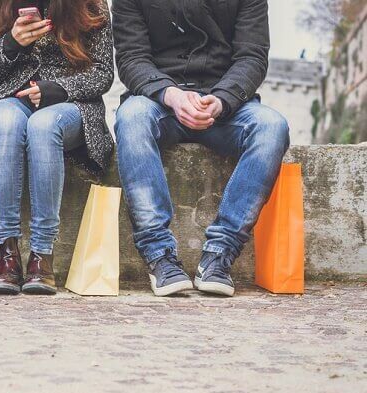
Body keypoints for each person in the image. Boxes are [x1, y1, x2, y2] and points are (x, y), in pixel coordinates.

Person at [113, 0, 290, 297]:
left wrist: (221, 100)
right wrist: (171, 95)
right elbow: (131, 58)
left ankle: (220, 252)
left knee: (272, 126)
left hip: (225, 104)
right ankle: (158, 254)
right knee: (131, 117)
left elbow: (252, 57)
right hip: (160, 101)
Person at [0, 0, 114, 295]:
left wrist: (59, 89)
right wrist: (10, 45)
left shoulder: (92, 3)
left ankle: (42, 255)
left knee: (43, 126)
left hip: (71, 103)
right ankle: (6, 254)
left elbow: (103, 73)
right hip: (10, 98)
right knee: (6, 122)